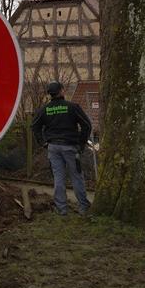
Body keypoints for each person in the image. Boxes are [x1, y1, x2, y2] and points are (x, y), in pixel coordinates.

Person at [32, 81, 92, 216]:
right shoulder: (72, 107)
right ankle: (83, 206)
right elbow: (87, 125)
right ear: (62, 91)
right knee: (76, 177)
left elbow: (34, 126)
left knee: (58, 178)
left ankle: (62, 209)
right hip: (70, 146)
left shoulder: (45, 109)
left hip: (53, 147)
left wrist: (43, 142)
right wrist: (81, 143)